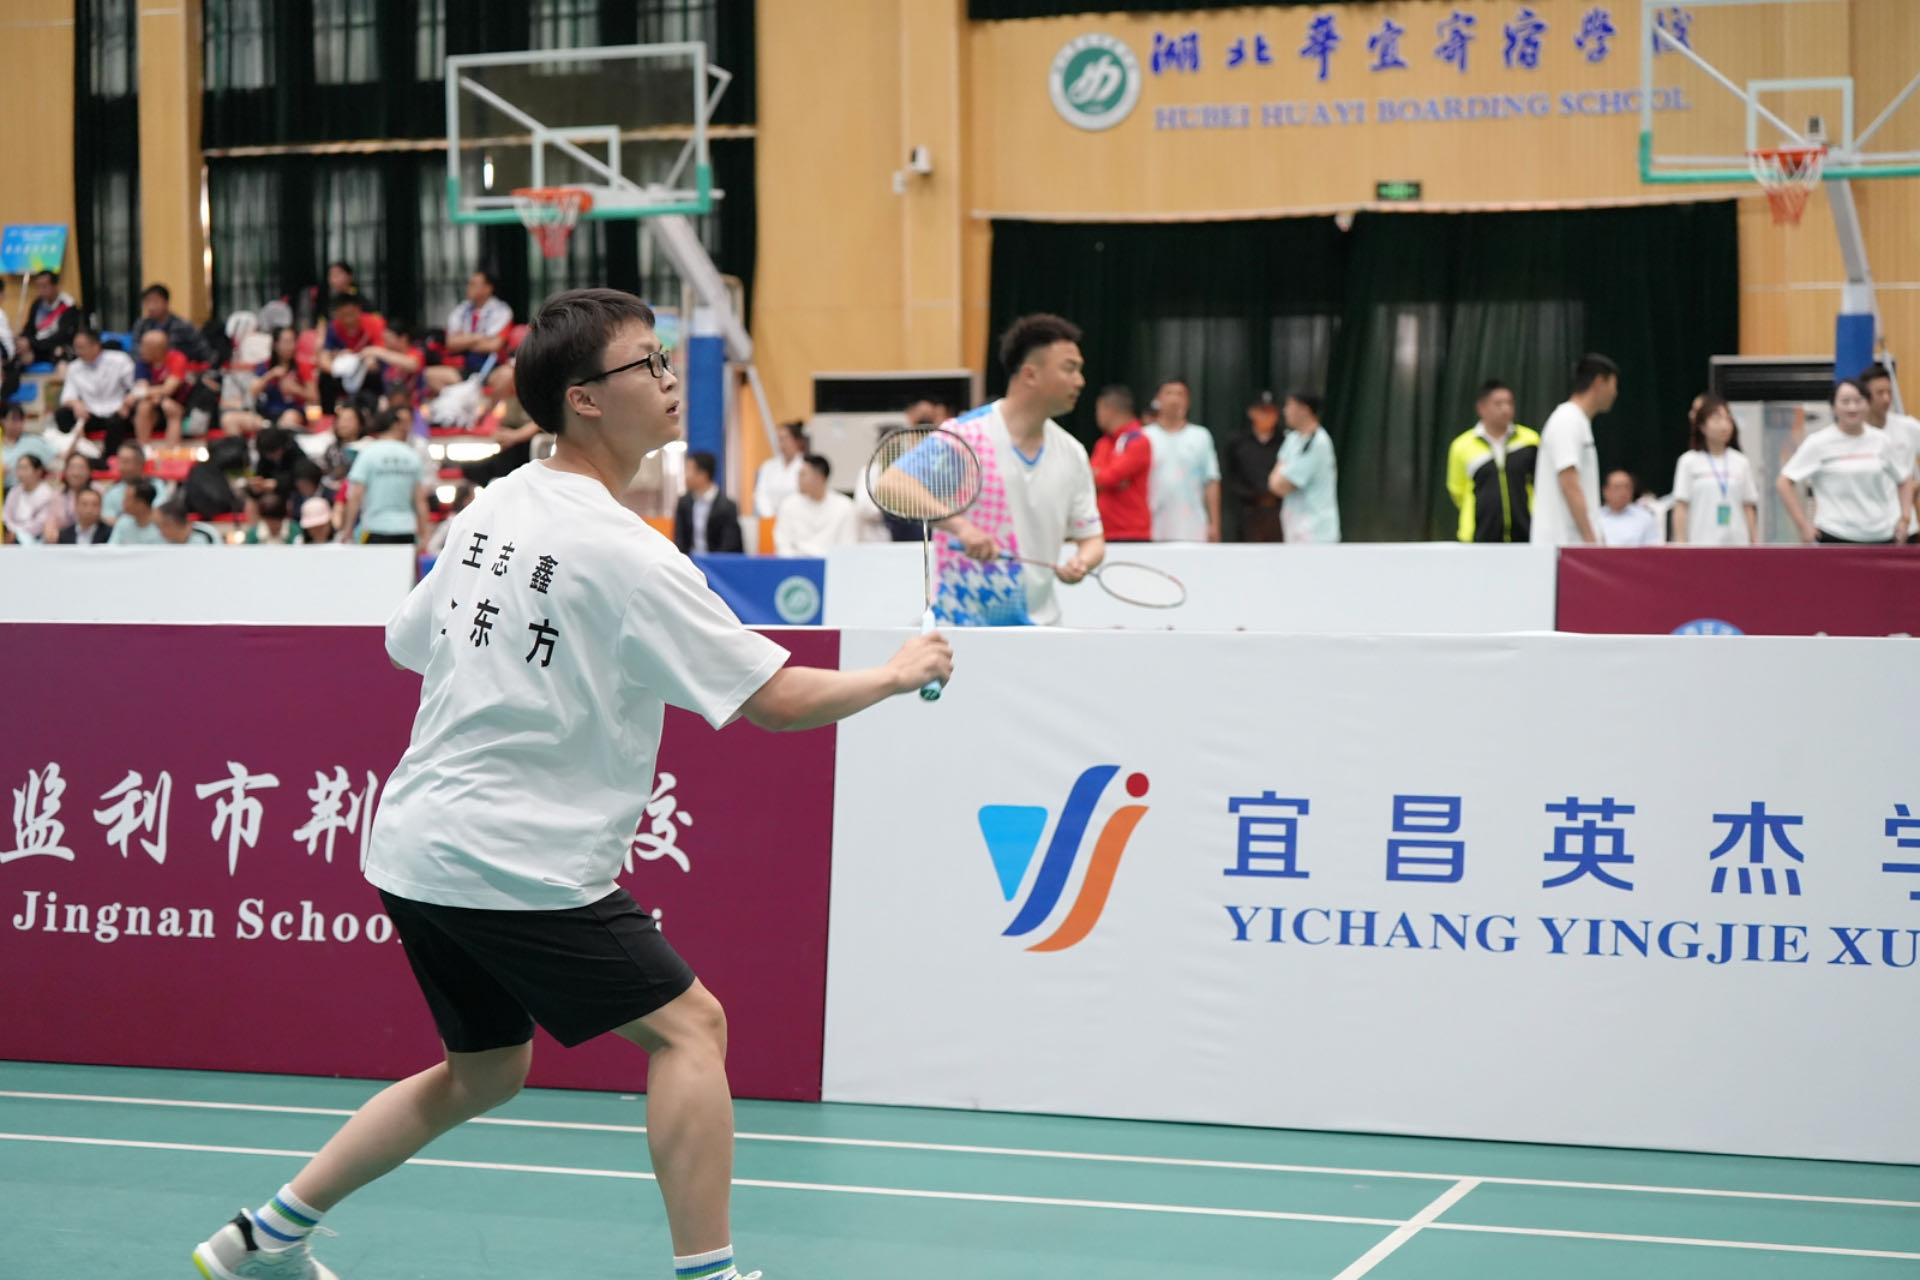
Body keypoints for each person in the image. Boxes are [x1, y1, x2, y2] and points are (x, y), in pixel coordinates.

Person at [191, 286, 950, 1280]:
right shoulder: (627, 553)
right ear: (584, 398)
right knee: (691, 1028)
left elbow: (407, 642)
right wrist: (897, 673)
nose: (670, 380)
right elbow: (775, 698)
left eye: (666, 358)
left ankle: (264, 1236)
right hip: (516, 860)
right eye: (648, 363)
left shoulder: (494, 504)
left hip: (415, 846)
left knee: (484, 1071)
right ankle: (710, 1276)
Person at [891, 313, 1104, 627]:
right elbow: (893, 485)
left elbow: (1092, 538)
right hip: (963, 626)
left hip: (1042, 628)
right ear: (1030, 374)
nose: (1080, 381)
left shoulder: (1072, 453)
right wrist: (960, 527)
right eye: (1069, 368)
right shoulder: (966, 436)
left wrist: (1082, 562)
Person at [1777, 378, 1917, 545]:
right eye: (1845, 401)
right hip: (1834, 535)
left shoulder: (1881, 441)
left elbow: (1905, 479)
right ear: (1834, 407)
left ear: (1867, 404)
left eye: (1858, 401)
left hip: (1881, 536)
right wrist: (1803, 526)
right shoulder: (1818, 442)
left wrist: (1905, 518)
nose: (1852, 407)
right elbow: (1784, 482)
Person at [1532, 353, 1620, 547]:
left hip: (1573, 546)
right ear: (1600, 382)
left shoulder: (1578, 421)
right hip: (1562, 547)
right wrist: (1591, 542)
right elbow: (1569, 483)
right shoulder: (1567, 420)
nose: (1615, 393)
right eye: (1614, 385)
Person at [1445, 380, 1539, 543]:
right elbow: (1457, 490)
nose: (1505, 409)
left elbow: (1540, 483)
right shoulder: (1461, 446)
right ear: (1481, 408)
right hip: (1478, 539)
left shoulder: (1530, 440)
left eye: (1509, 403)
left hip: (1526, 535)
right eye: (1498, 404)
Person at [1671, 394, 1760, 545]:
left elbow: (1748, 506)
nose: (1724, 425)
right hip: (1701, 543)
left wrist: (1754, 541)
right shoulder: (1688, 461)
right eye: (1717, 420)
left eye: (1728, 419)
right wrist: (1681, 542)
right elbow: (1681, 506)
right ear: (1702, 426)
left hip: (1737, 543)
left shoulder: (1741, 461)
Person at [338, 407, 430, 545]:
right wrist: (425, 533)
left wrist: (347, 529)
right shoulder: (411, 455)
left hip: (375, 527)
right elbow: (420, 499)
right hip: (406, 529)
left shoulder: (368, 453)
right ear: (395, 425)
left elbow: (355, 495)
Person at [1144, 378, 1219, 542]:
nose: (1174, 399)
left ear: (1188, 401)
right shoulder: (1144, 436)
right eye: (1169, 393)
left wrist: (1214, 524)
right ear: (1157, 399)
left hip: (1193, 526)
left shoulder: (1201, 436)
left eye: (1180, 394)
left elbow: (1211, 480)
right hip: (1152, 525)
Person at [1264, 391, 1341, 544]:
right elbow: (1273, 483)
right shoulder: (1292, 439)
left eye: (1289, 406)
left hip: (1317, 535)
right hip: (1293, 531)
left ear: (1304, 409)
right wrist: (1279, 477)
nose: (1285, 411)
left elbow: (1282, 485)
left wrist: (1282, 475)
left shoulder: (1319, 443)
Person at [52, 329, 139, 461]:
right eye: (76, 348)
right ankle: (78, 452)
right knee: (62, 414)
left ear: (96, 345)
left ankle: (109, 459)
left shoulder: (120, 359)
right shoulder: (74, 367)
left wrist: (128, 401)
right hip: (90, 413)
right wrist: (76, 404)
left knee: (117, 421)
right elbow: (67, 397)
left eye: (81, 347)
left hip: (117, 410)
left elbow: (136, 387)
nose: (78, 352)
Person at [426, 270, 515, 394]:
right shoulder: (461, 310)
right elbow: (450, 343)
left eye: (473, 284)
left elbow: (494, 345)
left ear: (487, 288)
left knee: (508, 374)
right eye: (469, 284)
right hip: (465, 366)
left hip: (492, 367)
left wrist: (464, 342)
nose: (468, 287)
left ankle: (486, 406)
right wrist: (480, 337)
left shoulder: (502, 311)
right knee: (430, 374)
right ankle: (460, 401)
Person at [1859, 364, 1920, 538]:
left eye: (1889, 392)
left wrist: (1915, 486)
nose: (1886, 399)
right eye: (1880, 393)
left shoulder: (1908, 427)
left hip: (1905, 525)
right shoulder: (1855, 433)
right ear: (1866, 396)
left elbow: (1906, 481)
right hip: (1864, 528)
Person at [1090, 385, 1152, 542]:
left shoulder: (1138, 441)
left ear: (1109, 409)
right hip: (1103, 531)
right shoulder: (1103, 443)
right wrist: (1103, 478)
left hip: (1132, 533)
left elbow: (1109, 478)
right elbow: (1088, 479)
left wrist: (1101, 477)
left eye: (1098, 409)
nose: (1097, 415)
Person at [1222, 391, 1284, 542]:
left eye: (1271, 411)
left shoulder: (1286, 442)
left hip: (1280, 512)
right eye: (1263, 410)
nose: (1267, 415)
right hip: (1247, 513)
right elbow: (1230, 478)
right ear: (1251, 412)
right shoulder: (1237, 442)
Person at [773, 454, 858, 556]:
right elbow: (782, 544)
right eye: (798, 474)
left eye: (803, 475)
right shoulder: (789, 505)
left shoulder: (845, 506)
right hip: (796, 563)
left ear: (820, 478)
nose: (798, 479)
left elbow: (848, 546)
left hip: (832, 563)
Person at [317, 293, 387, 413]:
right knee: (325, 378)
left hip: (367, 370)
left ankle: (375, 413)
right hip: (344, 372)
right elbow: (324, 357)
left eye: (351, 313)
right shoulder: (333, 327)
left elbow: (381, 351)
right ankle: (328, 415)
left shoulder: (374, 324)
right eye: (343, 314)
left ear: (358, 310)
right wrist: (336, 366)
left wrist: (368, 359)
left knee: (375, 373)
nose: (347, 318)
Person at [674, 449, 744, 554]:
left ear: (703, 474)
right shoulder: (684, 503)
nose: (685, 475)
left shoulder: (727, 507)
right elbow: (680, 540)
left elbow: (729, 545)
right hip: (689, 561)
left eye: (688, 470)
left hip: (716, 562)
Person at [131, 282, 215, 366]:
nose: (151, 307)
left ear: (166, 302)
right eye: (148, 302)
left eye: (155, 302)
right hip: (147, 368)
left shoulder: (183, 326)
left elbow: (204, 351)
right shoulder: (141, 325)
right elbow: (135, 351)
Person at [133, 330, 191, 445]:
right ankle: (143, 447)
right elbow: (142, 388)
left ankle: (171, 451)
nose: (141, 350)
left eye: (145, 347)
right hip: (154, 401)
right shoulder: (142, 362)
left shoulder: (177, 358)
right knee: (144, 406)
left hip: (179, 401)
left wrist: (151, 395)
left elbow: (169, 389)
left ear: (157, 350)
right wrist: (155, 396)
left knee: (170, 408)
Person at [100, 441, 175, 521]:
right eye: (120, 462)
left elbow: (159, 514)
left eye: (126, 462)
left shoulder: (158, 486)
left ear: (140, 464)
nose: (121, 467)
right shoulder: (112, 491)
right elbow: (108, 518)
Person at [21, 270, 79, 365]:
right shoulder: (37, 303)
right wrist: (23, 340)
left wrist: (32, 343)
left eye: (44, 286)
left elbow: (62, 336)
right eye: (38, 286)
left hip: (56, 345)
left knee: (60, 352)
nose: (40, 290)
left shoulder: (68, 305)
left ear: (55, 286)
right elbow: (29, 328)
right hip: (38, 345)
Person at [753, 420, 808, 519]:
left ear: (797, 441)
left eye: (785, 438)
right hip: (770, 519)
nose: (782, 443)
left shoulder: (806, 465)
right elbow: (760, 493)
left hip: (798, 519)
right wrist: (769, 515)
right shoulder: (768, 466)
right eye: (779, 439)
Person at [43, 452, 97, 541]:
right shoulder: (57, 494)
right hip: (64, 541)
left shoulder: (97, 492)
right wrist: (49, 530)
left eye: (81, 468)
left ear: (89, 471)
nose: (76, 473)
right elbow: (50, 521)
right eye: (72, 468)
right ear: (66, 471)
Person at [3, 454, 57, 543]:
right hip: (10, 535)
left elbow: (40, 523)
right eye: (18, 468)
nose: (20, 473)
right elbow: (6, 516)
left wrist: (17, 532)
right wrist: (11, 530)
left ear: (38, 471)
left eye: (24, 468)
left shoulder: (47, 493)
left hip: (35, 539)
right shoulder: (14, 491)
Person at [1597, 471, 1659, 546]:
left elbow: (1652, 547)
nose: (1623, 492)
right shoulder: (1596, 517)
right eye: (1617, 487)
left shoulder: (1644, 517)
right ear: (1605, 491)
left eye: (1627, 487)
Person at [2, 403, 56, 475]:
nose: (18, 424)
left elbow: (56, 460)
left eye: (21, 420)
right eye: (14, 420)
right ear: (2, 420)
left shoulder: (35, 441)